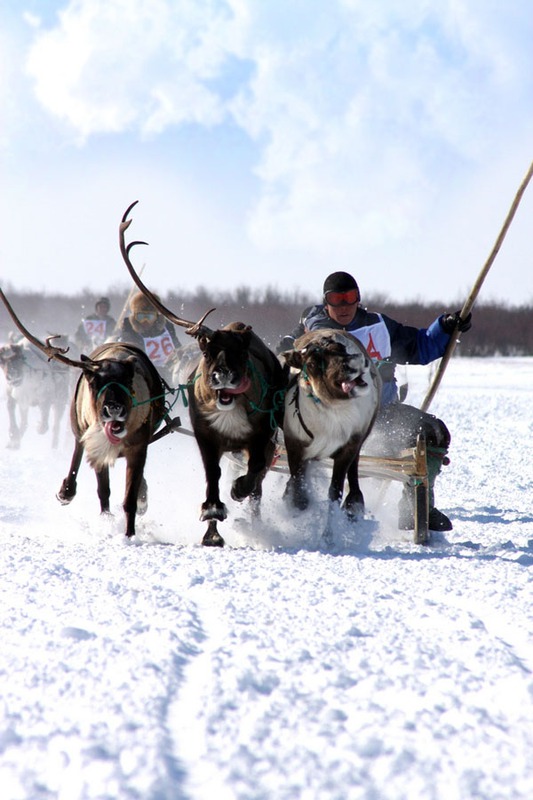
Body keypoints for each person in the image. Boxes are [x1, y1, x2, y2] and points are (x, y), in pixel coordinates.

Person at [277, 271, 472, 532]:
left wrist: (446, 327)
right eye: (337, 299)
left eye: (350, 298)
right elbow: (285, 352)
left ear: (359, 299)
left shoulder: (379, 327)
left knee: (432, 433)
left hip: (380, 415)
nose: (344, 305)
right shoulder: (312, 327)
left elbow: (421, 346)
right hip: (322, 419)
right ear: (326, 303)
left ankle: (415, 507)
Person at [114, 291, 181, 382]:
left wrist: (177, 354)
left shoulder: (167, 326)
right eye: (141, 317)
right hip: (142, 370)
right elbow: (129, 346)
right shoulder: (128, 326)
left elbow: (177, 345)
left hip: (169, 368)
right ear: (135, 316)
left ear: (156, 316)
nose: (145, 321)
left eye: (149, 317)